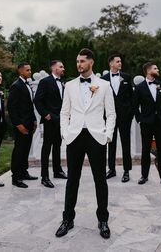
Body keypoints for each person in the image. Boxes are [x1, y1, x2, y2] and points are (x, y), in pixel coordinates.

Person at [55, 48, 116, 239]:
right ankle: (67, 219)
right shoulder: (70, 85)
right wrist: (65, 133)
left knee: (100, 180)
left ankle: (103, 220)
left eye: (82, 61)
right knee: (72, 180)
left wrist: (108, 135)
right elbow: (64, 112)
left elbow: (111, 113)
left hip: (96, 137)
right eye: (77, 61)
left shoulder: (104, 85)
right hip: (74, 137)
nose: (78, 64)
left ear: (91, 62)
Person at [133, 62, 161, 188]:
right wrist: (140, 120)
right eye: (155, 68)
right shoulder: (140, 87)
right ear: (149, 71)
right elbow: (134, 106)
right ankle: (144, 176)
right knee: (145, 150)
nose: (157, 69)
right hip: (147, 123)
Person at [34, 60, 67, 188]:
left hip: (61, 120)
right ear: (53, 68)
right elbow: (37, 100)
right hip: (49, 120)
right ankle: (44, 176)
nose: (63, 68)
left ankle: (57, 171)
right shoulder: (45, 82)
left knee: (58, 146)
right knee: (46, 147)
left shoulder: (63, 83)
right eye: (61, 66)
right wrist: (45, 115)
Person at [102, 54, 133, 182]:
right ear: (111, 63)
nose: (120, 63)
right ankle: (112, 169)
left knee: (126, 143)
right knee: (111, 143)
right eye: (118, 61)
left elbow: (131, 98)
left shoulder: (126, 77)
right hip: (109, 117)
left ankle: (126, 171)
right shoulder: (103, 79)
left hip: (125, 117)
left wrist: (129, 114)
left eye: (120, 61)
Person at [7, 63, 38, 188]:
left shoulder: (28, 85)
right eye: (27, 70)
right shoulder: (16, 86)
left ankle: (24, 172)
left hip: (30, 122)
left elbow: (30, 106)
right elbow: (11, 107)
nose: (30, 72)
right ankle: (16, 177)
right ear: (21, 72)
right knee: (19, 150)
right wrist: (18, 124)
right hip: (21, 125)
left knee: (26, 149)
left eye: (30, 69)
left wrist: (34, 120)